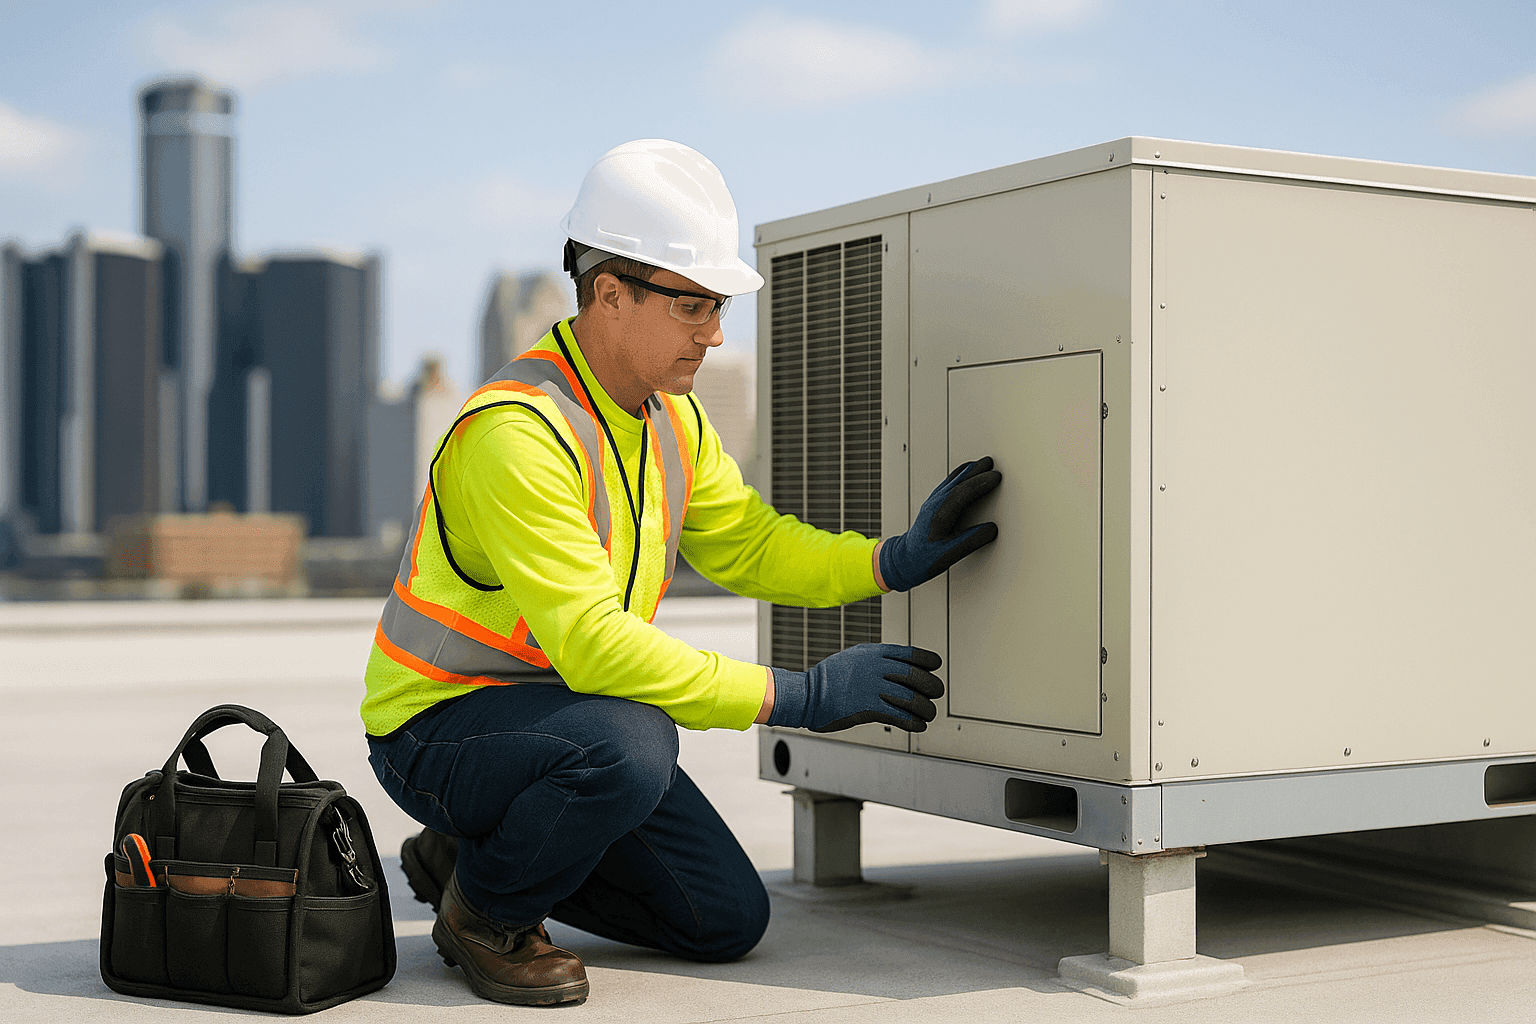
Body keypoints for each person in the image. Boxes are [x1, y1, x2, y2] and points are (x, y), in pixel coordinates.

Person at [360, 139, 1002, 1007]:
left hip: (562, 728)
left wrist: (887, 562)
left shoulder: (672, 420)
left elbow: (749, 542)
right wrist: (798, 698)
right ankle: (485, 914)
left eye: (719, 304)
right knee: (635, 747)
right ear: (610, 295)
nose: (715, 330)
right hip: (438, 729)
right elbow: (592, 647)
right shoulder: (517, 434)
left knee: (724, 919)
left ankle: (478, 853)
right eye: (693, 303)